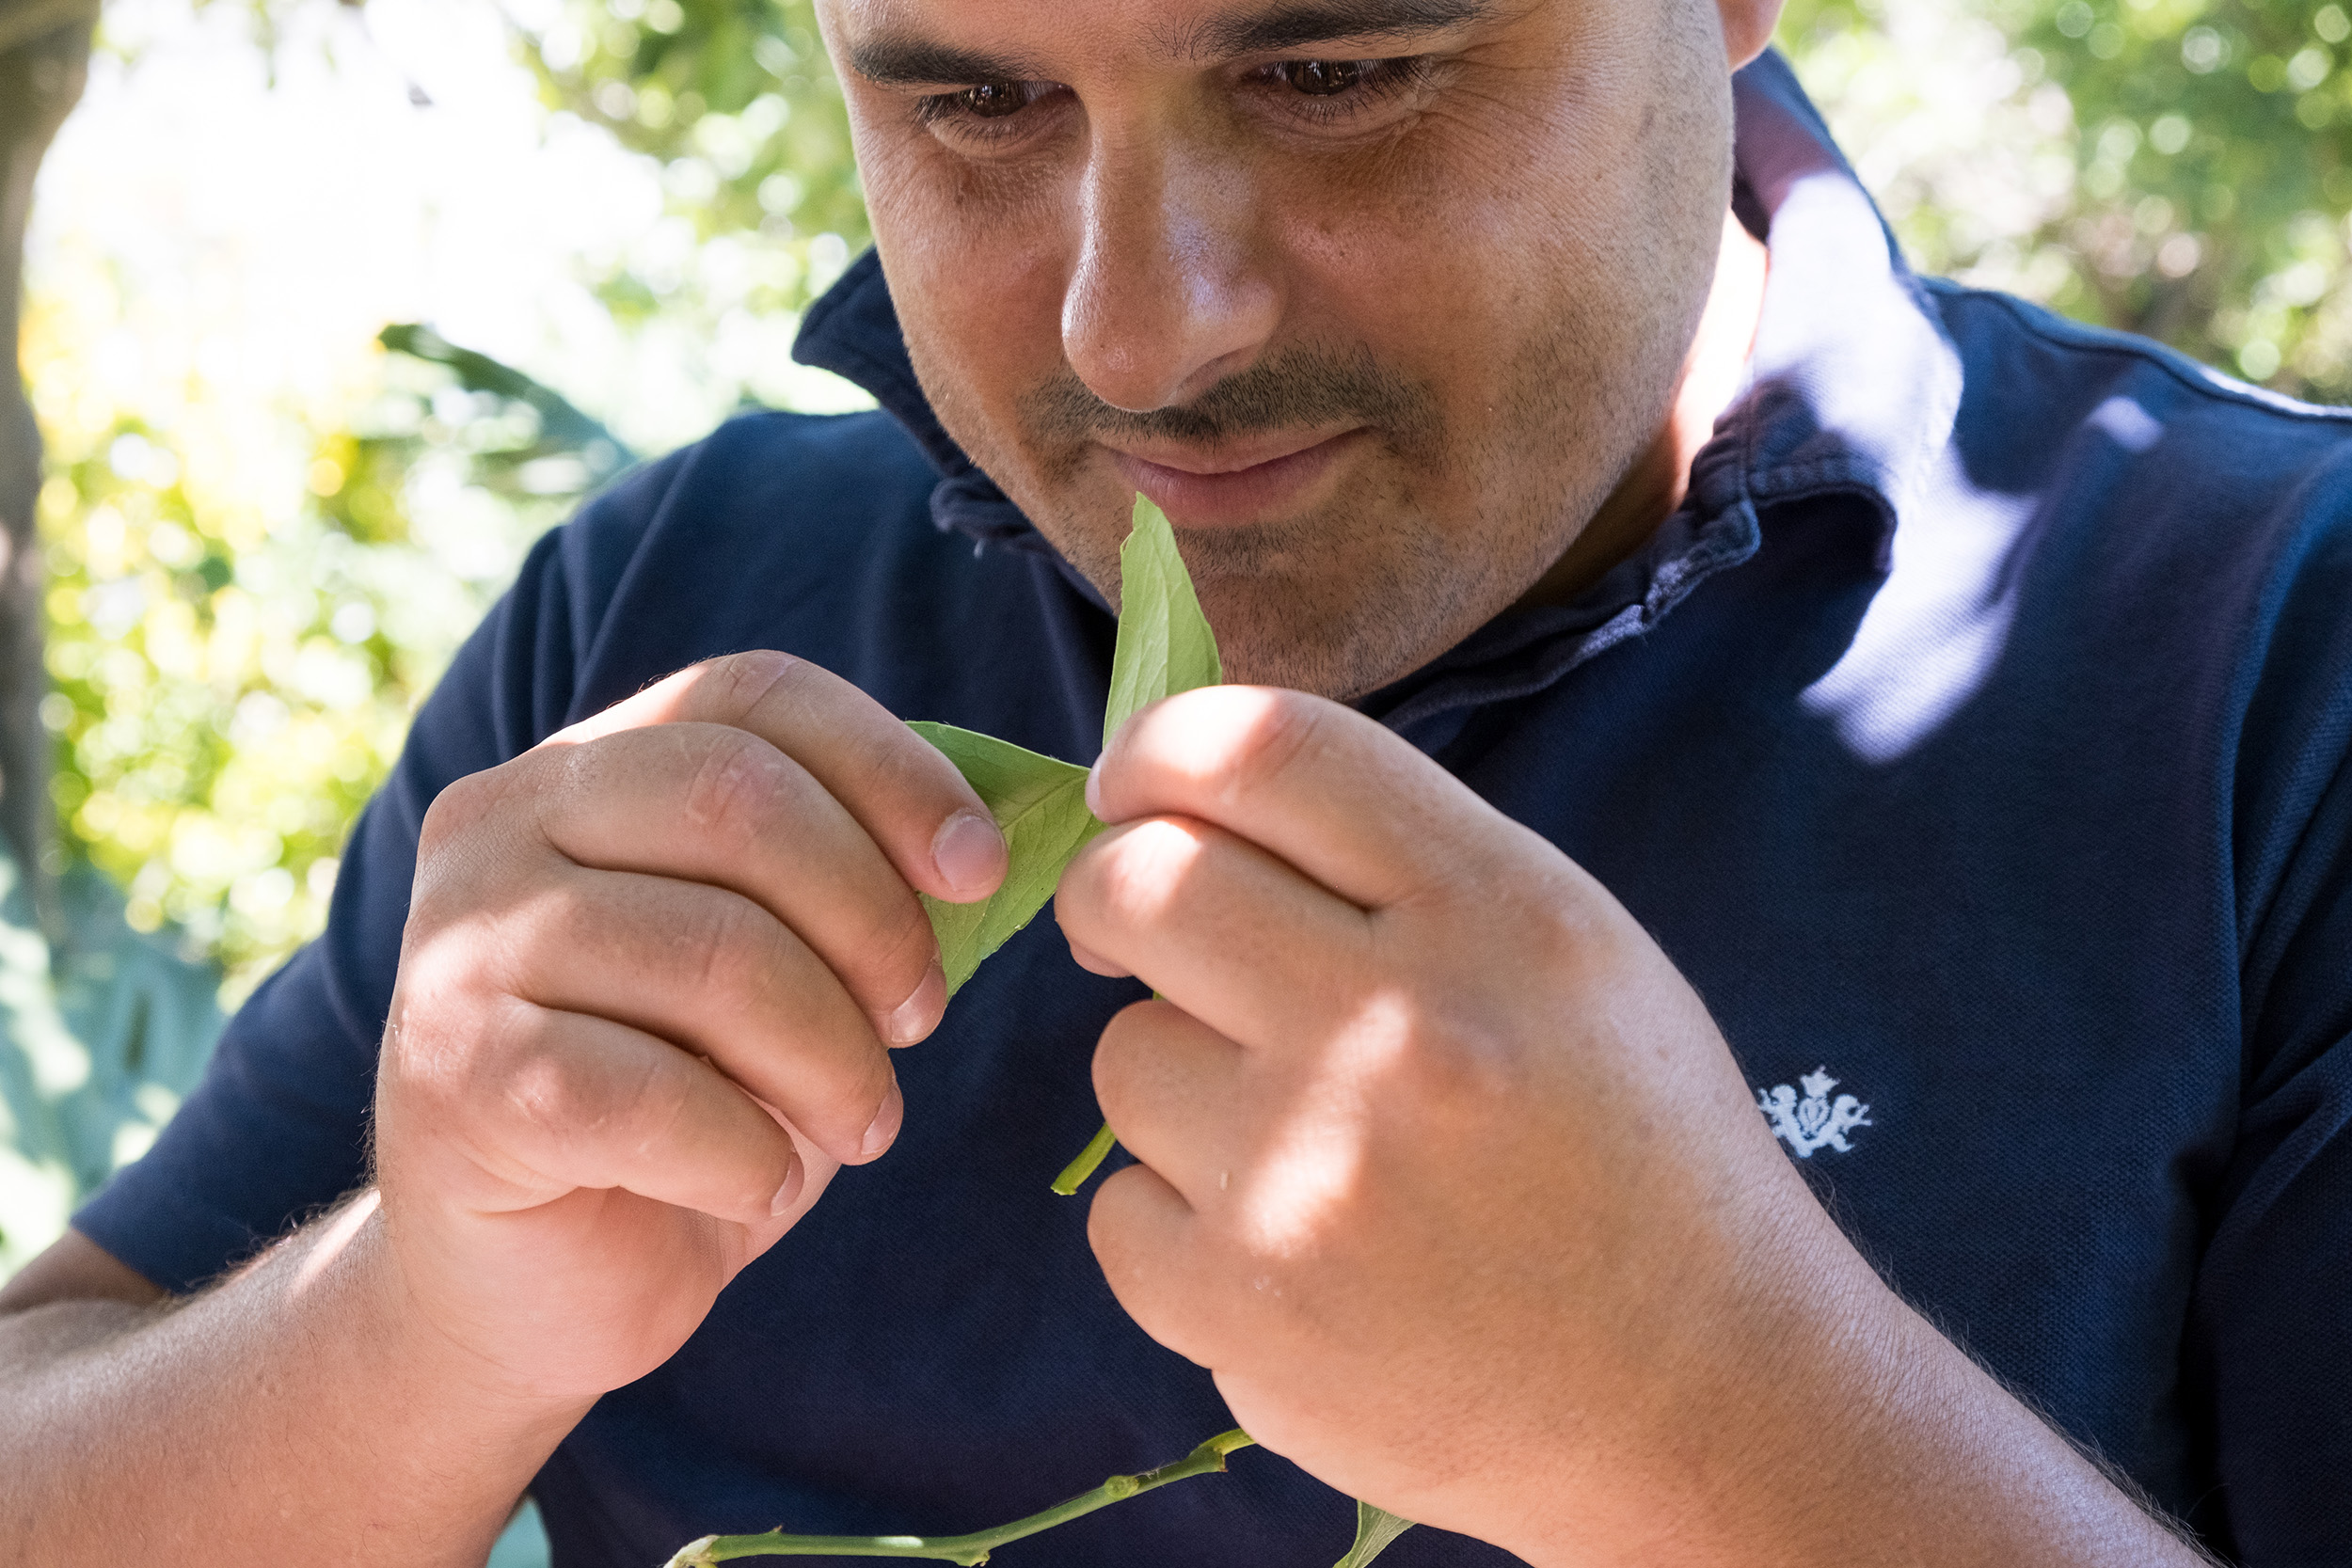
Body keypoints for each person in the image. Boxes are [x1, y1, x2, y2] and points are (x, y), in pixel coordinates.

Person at [2, 0, 2345, 1563]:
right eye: (972, 108)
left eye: (1335, 70)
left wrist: (1718, 1417)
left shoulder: (2268, 661)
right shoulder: (671, 614)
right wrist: (419, 1318)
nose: (1140, 335)